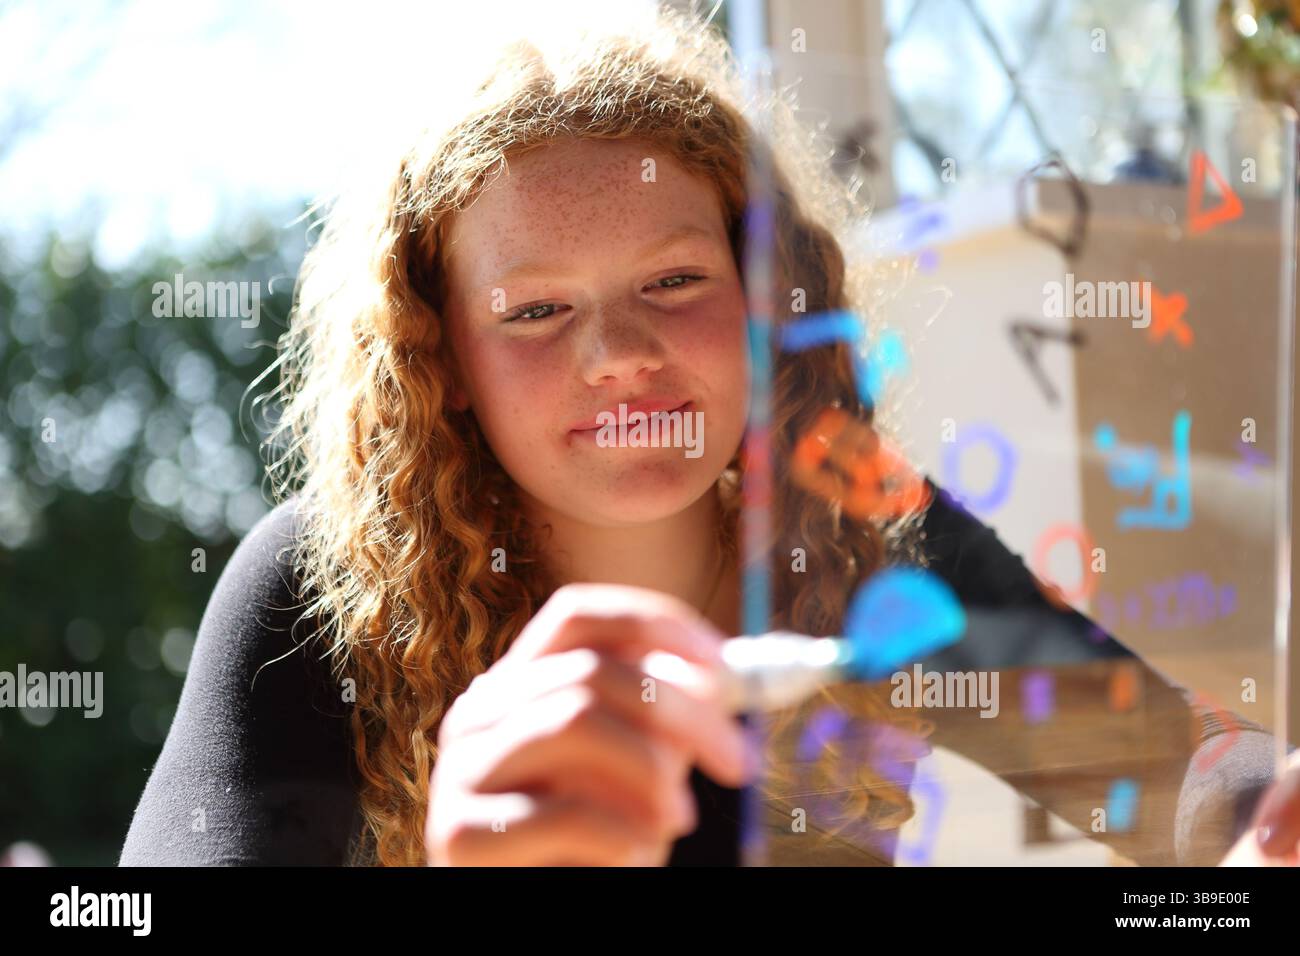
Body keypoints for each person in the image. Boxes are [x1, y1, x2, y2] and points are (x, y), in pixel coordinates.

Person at [119, 7, 1298, 867]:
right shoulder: (323, 591)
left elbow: (1166, 764)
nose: (619, 352)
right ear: (445, 362)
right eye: (534, 310)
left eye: (675, 280)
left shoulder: (864, 528)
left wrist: (1261, 818)